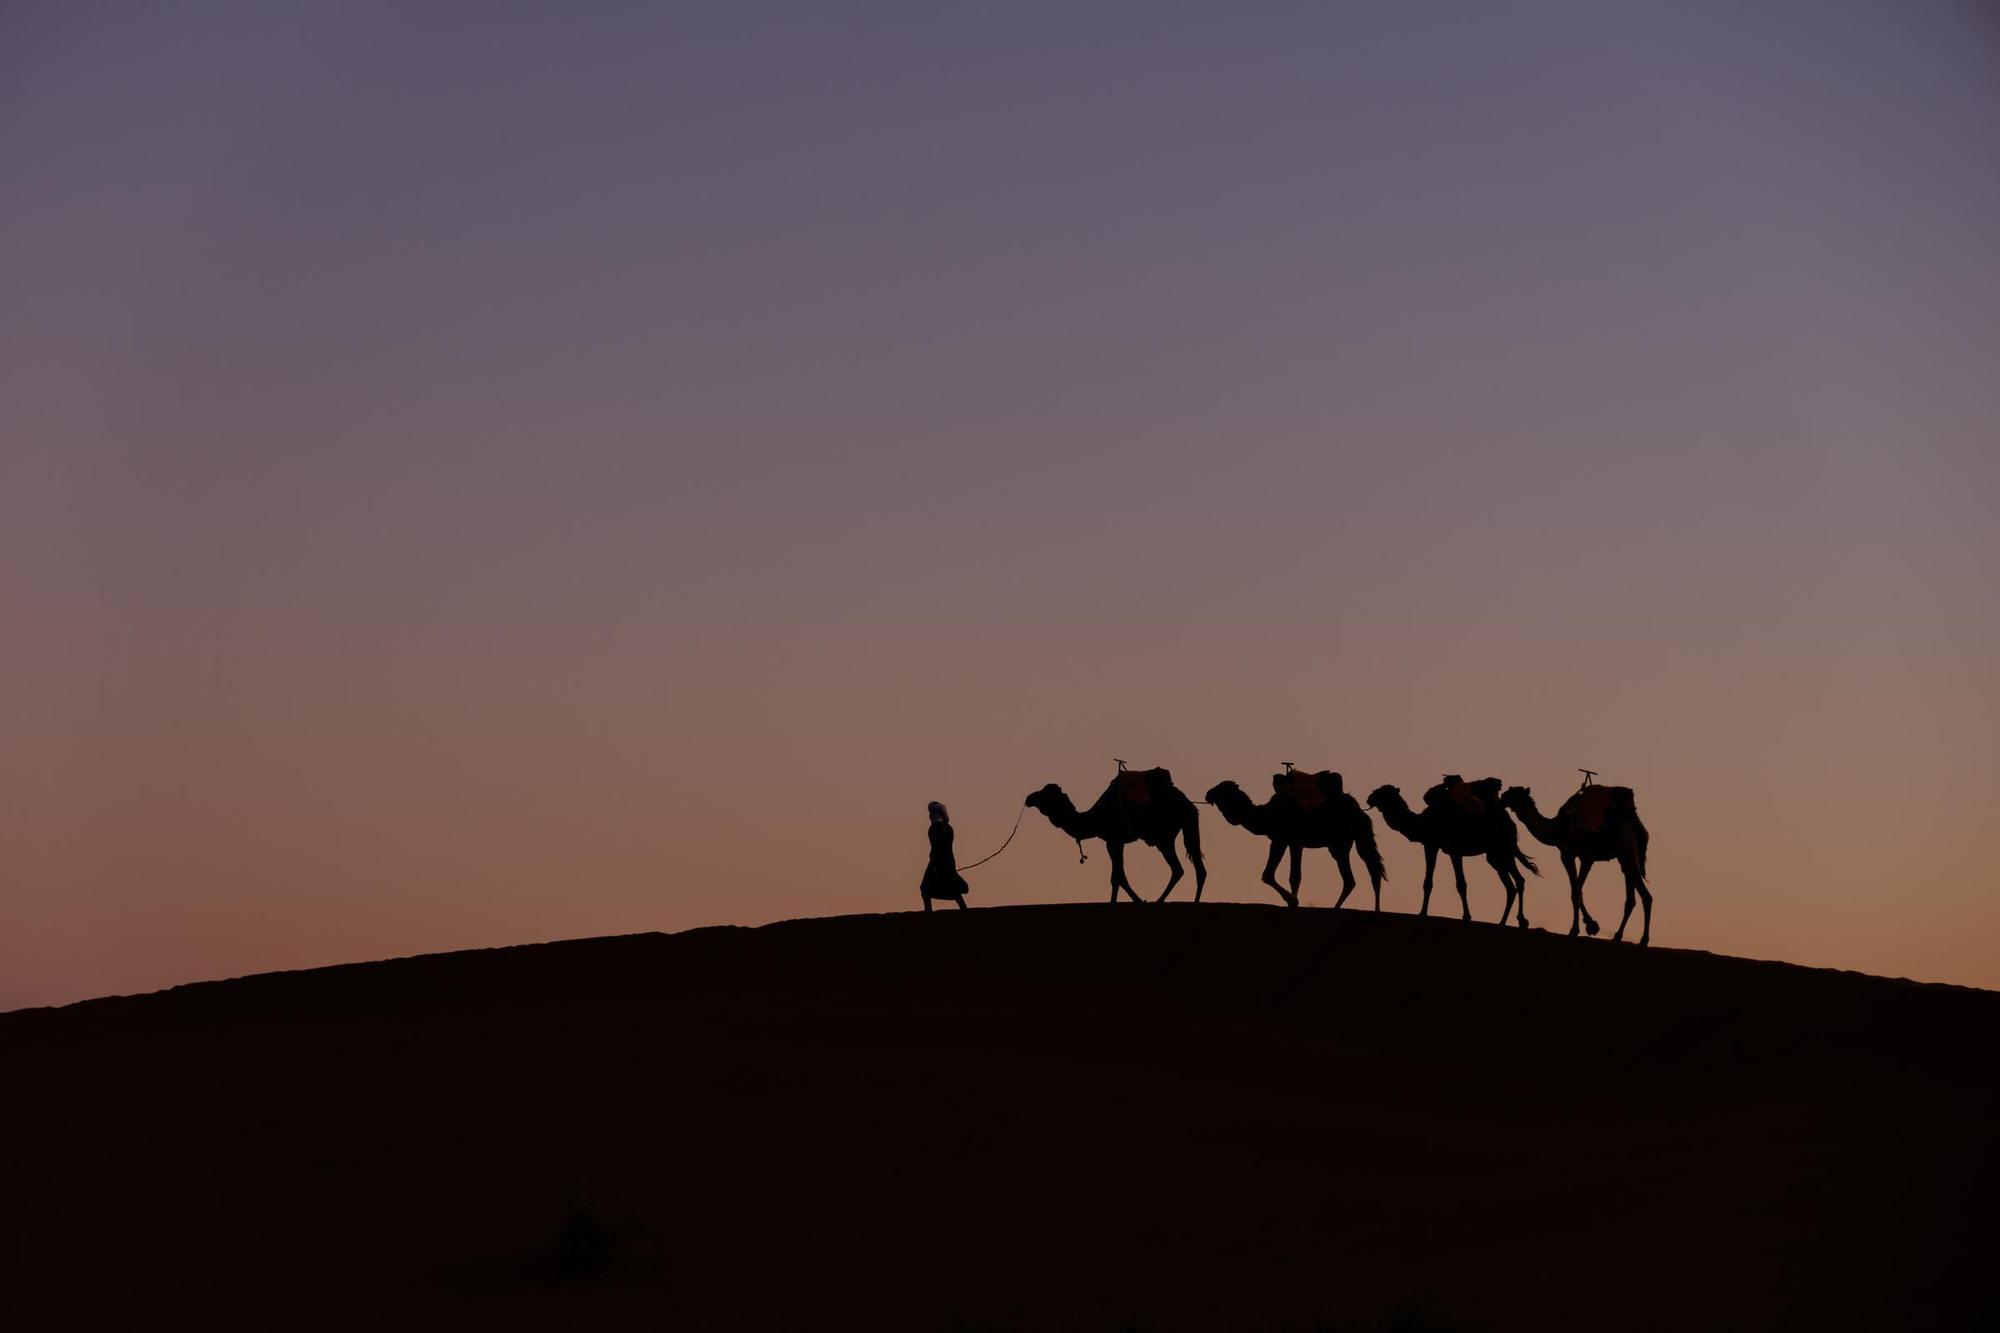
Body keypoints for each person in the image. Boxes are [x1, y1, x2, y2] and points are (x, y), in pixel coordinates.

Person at [919, 800, 969, 911]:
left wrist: (936, 865)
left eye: (931, 813)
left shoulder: (935, 829)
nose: (929, 816)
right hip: (948, 862)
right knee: (952, 887)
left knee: (925, 888)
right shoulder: (948, 828)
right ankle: (964, 909)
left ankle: (928, 912)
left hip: (937, 863)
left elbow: (938, 848)